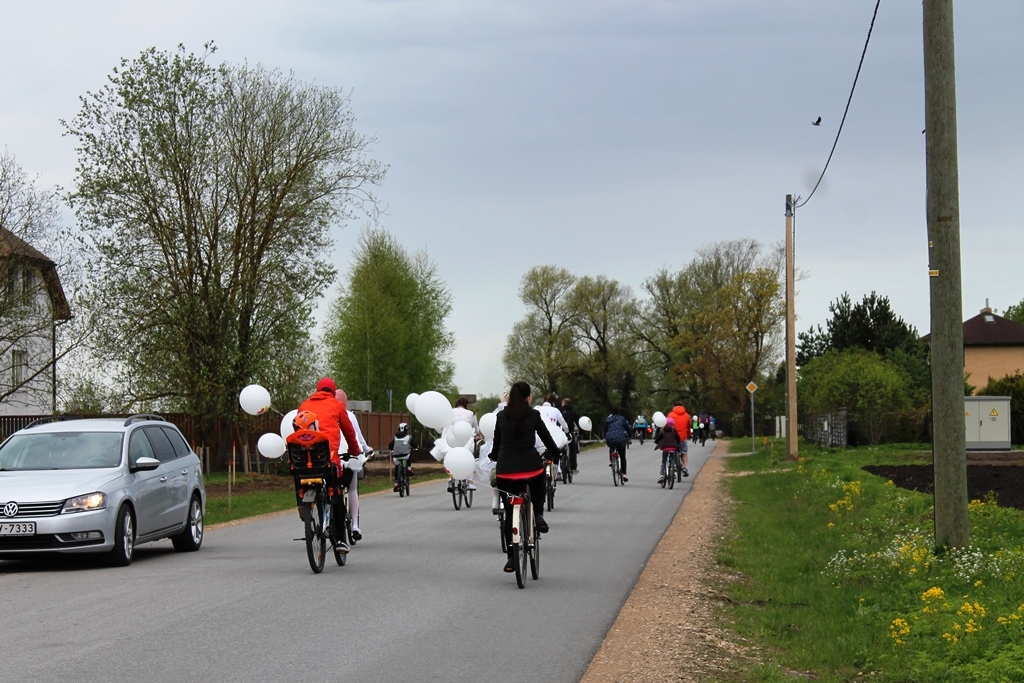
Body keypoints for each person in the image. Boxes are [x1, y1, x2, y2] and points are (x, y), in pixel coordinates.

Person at [490, 382, 560, 573]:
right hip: (530, 467)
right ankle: (538, 515)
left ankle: (511, 558)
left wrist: (494, 457)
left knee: (509, 508)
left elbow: (497, 443)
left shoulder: (501, 416)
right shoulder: (534, 415)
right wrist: (555, 454)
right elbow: (546, 438)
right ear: (528, 397)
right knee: (538, 484)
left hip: (505, 471)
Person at [297, 377, 362, 553]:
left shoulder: (304, 405)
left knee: (300, 478)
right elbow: (349, 432)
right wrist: (356, 451)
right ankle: (341, 540)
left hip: (303, 459)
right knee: (337, 496)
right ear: (333, 392)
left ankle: (302, 505)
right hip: (328, 459)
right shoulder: (336, 405)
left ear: (317, 390)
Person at [336, 388, 372, 541]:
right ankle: (355, 525)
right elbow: (357, 437)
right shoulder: (349, 415)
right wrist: (366, 449)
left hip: (328, 457)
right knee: (352, 489)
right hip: (347, 458)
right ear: (345, 403)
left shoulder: (321, 415)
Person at [447, 396, 480, 492]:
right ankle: (470, 483)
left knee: (452, 458)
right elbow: (476, 427)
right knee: (469, 459)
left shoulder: (450, 412)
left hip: (452, 439)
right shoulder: (471, 413)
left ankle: (451, 478)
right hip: (466, 440)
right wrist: (478, 435)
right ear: (467, 405)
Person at [604, 406, 632, 483]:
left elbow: (605, 430)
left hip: (610, 438)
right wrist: (630, 435)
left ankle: (611, 460)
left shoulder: (608, 419)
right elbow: (627, 428)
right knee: (622, 456)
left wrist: (605, 437)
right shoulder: (622, 419)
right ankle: (624, 474)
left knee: (611, 447)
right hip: (620, 439)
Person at [667, 402, 692, 477]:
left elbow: (667, 426)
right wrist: (688, 435)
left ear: (674, 406)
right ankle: (685, 468)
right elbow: (688, 427)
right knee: (684, 453)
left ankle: (673, 466)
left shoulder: (670, 415)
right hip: (683, 437)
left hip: (673, 437)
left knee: (671, 451)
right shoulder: (687, 415)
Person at [388, 422, 414, 491]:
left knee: (397, 467)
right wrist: (415, 447)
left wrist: (392, 448)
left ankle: (396, 483)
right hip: (406, 455)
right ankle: (408, 467)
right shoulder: (409, 437)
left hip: (396, 456)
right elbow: (414, 444)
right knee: (409, 454)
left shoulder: (395, 437)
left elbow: (390, 446)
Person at [560, 397, 581, 474]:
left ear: (564, 403)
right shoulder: (573, 412)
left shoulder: (559, 411)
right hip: (569, 432)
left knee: (559, 448)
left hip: (560, 432)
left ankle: (559, 465)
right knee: (573, 449)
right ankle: (573, 467)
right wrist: (581, 432)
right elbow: (578, 423)